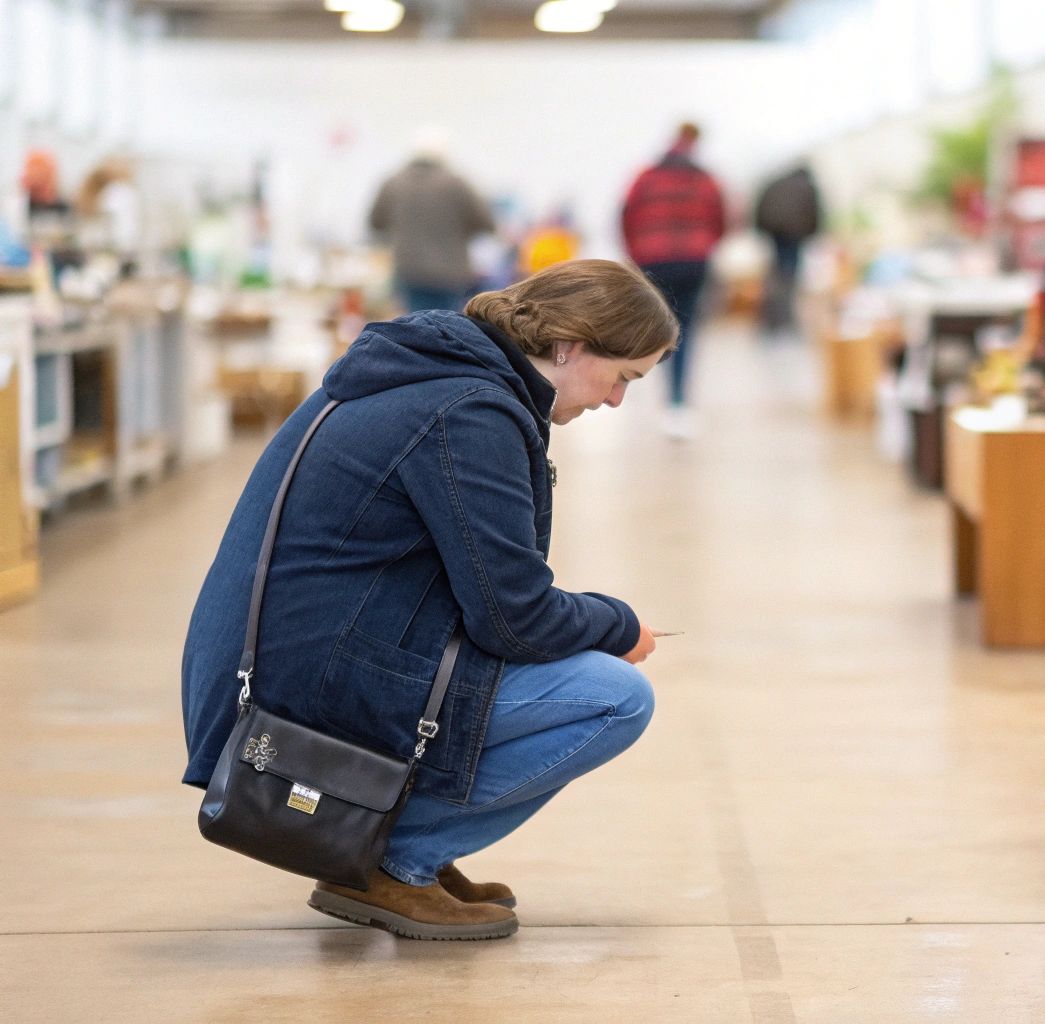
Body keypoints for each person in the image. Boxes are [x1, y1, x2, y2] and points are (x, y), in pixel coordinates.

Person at [180, 260, 677, 941]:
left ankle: (408, 849)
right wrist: (616, 623)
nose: (618, 400)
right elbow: (514, 617)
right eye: (623, 376)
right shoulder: (468, 412)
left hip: (282, 663)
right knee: (614, 696)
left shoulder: (432, 375)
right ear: (569, 345)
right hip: (300, 683)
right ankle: (391, 859)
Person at [619, 122, 726, 439]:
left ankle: (641, 382)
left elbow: (625, 215)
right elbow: (723, 219)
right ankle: (677, 403)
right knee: (686, 329)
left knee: (655, 325)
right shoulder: (706, 179)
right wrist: (706, 245)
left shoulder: (645, 177)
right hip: (693, 260)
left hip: (653, 259)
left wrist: (636, 252)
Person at [369, 128, 495, 313]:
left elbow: (375, 223)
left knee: (411, 326)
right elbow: (487, 223)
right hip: (450, 274)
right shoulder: (456, 184)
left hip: (408, 271)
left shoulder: (393, 183)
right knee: (447, 328)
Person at [753, 164, 821, 335]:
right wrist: (812, 233)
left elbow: (761, 207)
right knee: (789, 275)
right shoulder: (806, 187)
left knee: (777, 273)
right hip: (795, 235)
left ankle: (773, 317)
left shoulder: (776, 182)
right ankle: (785, 318)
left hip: (775, 233)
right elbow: (814, 212)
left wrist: (762, 230)